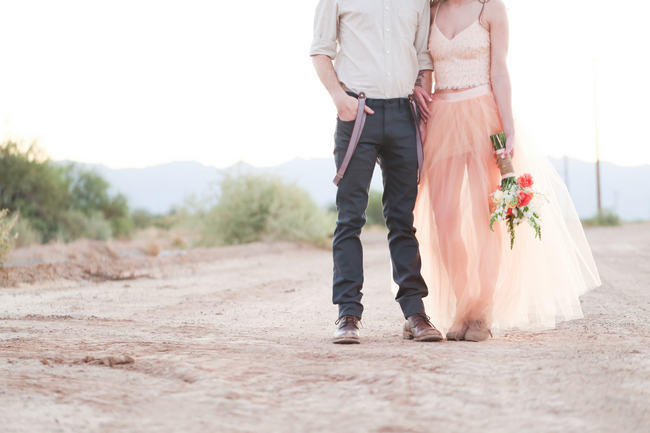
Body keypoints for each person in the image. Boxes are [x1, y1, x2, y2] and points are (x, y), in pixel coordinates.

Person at [415, 0, 601, 341]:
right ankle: (463, 303)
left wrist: (508, 126)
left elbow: (499, 70)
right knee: (444, 219)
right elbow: (424, 73)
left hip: (483, 115)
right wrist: (422, 123)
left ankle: (480, 315)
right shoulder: (431, 10)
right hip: (441, 119)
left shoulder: (490, 8)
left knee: (485, 215)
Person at [310, 0, 443, 344]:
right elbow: (321, 52)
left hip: (403, 114)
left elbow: (423, 57)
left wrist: (421, 92)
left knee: (402, 217)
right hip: (358, 113)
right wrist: (341, 99)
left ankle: (415, 312)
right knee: (350, 217)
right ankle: (348, 314)